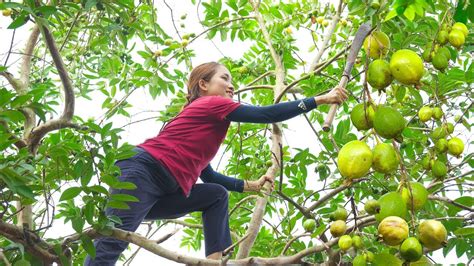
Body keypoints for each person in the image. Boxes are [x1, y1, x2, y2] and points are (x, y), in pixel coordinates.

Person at [85, 62, 348, 265]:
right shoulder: (212, 104)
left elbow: (208, 176)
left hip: (162, 189)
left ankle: (213, 261)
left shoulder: (207, 125)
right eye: (225, 78)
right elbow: (266, 113)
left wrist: (249, 185)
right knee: (111, 244)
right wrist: (319, 100)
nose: (231, 86)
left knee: (215, 195)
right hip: (144, 172)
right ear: (203, 84)